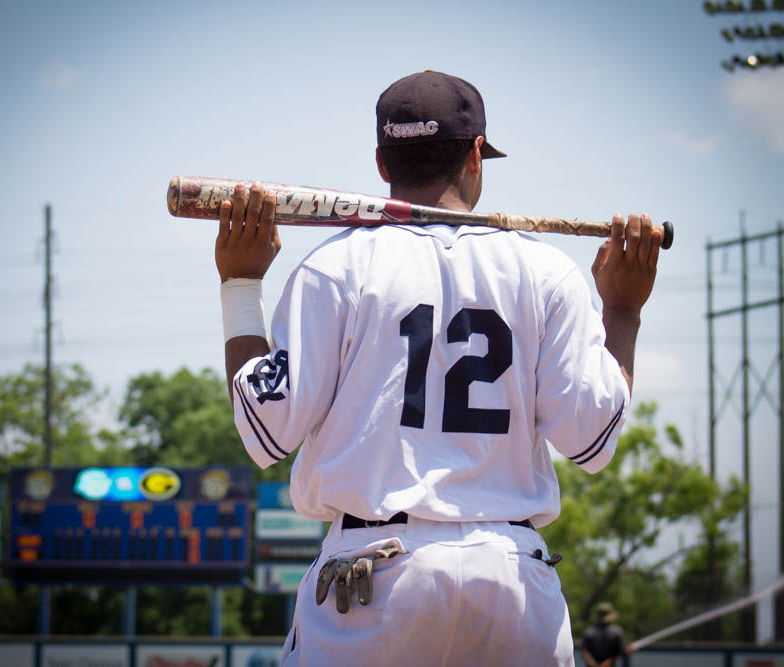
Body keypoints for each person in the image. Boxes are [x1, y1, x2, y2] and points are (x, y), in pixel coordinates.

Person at [214, 70, 661, 666]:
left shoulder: (337, 266)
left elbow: (264, 429)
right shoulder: (546, 272)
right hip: (509, 571)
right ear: (476, 155)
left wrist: (241, 283)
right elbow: (593, 441)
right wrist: (623, 312)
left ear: (381, 163)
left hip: (372, 576)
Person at [581, 602, 631, 667]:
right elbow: (622, 652)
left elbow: (584, 653)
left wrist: (594, 665)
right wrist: (627, 649)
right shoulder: (617, 632)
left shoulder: (588, 632)